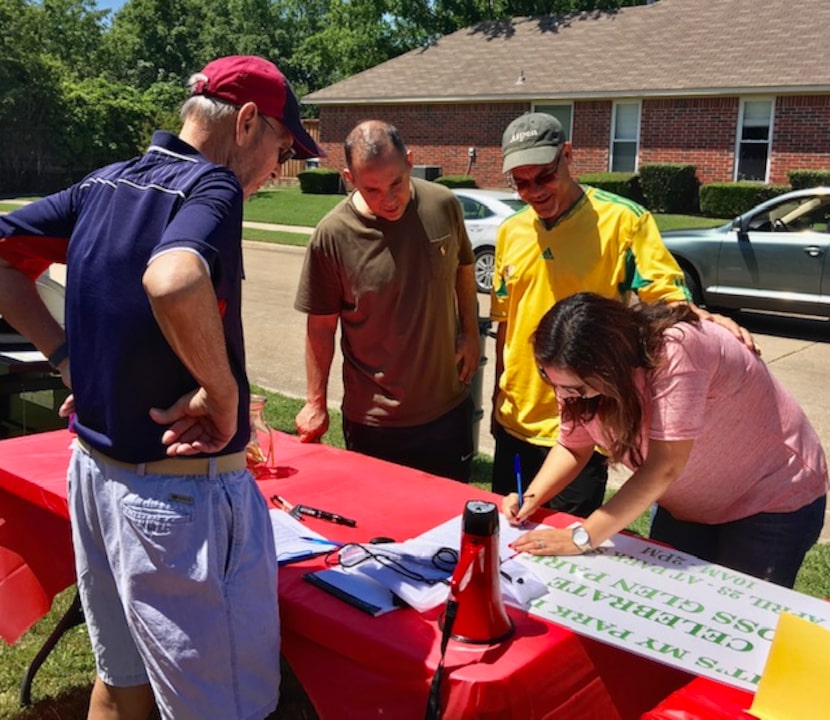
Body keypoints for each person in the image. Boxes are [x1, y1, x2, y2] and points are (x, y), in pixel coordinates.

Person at [0, 55, 323, 719]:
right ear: (248, 123)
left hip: (94, 478)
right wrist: (223, 390)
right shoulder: (212, 189)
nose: (278, 171)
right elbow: (172, 278)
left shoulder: (104, 184)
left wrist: (67, 356)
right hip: (179, 501)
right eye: (282, 150)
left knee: (122, 691)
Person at [490, 112, 756, 516]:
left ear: (567, 155)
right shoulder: (511, 230)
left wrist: (700, 315)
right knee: (507, 539)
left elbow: (668, 296)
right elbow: (506, 323)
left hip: (584, 421)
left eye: (543, 176)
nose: (534, 192)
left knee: (566, 558)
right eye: (521, 183)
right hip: (515, 419)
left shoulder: (624, 221)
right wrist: (498, 396)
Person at [503, 292, 827, 588]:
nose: (564, 396)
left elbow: (665, 465)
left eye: (576, 388)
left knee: (739, 625)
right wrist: (531, 496)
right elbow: (574, 446)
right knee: (670, 602)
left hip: (770, 498)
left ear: (610, 363)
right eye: (554, 383)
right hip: (685, 506)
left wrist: (582, 537)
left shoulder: (676, 349)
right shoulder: (578, 379)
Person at [294, 120, 480, 482]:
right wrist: (316, 402)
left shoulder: (443, 204)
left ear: (410, 160)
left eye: (396, 182)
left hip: (448, 411)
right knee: (380, 534)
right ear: (349, 178)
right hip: (375, 423)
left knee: (450, 527)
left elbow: (464, 269)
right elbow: (320, 327)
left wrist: (470, 333)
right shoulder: (332, 235)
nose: (389, 199)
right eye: (373, 189)